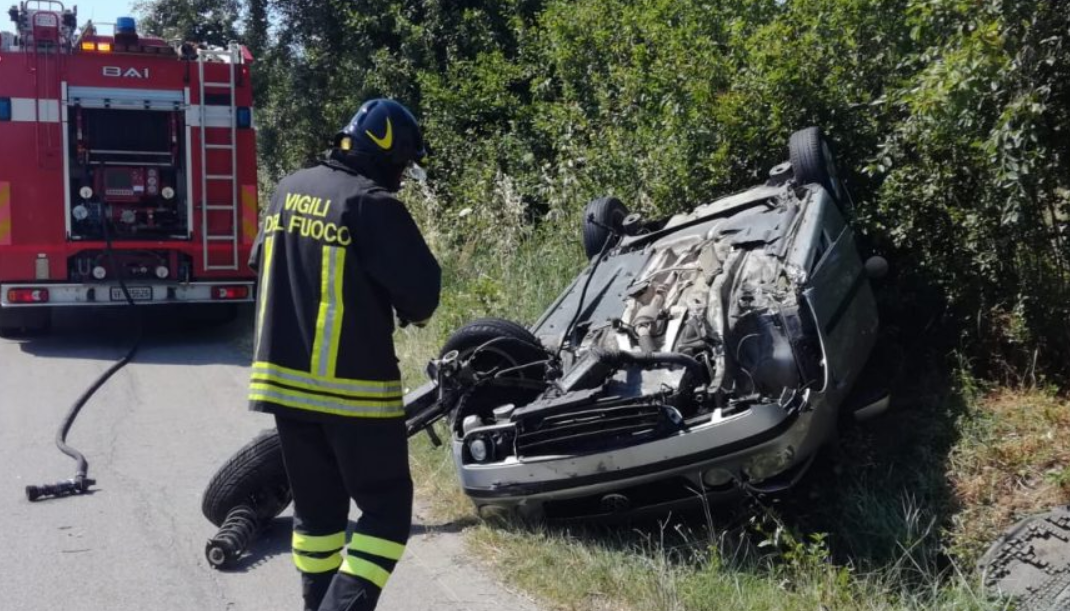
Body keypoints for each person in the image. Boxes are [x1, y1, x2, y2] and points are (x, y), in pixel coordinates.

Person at [247, 98, 441, 611]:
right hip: (354, 391)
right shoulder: (370, 203)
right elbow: (422, 296)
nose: (402, 174)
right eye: (402, 161)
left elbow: (259, 266)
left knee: (317, 519)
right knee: (386, 517)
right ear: (384, 152)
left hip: (283, 389)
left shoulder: (287, 190)